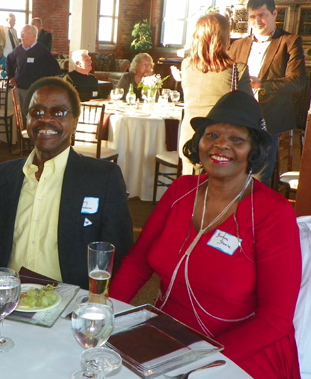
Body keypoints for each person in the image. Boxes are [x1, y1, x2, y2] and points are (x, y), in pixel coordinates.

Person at [110, 90, 301, 379]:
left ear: (254, 150)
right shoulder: (180, 191)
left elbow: (275, 320)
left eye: (237, 139)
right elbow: (139, 263)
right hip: (167, 335)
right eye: (212, 135)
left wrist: (199, 362)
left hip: (238, 351)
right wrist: (105, 312)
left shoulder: (272, 213)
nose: (221, 145)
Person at [0, 77, 133, 290]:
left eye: (58, 112)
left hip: (70, 304)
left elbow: (117, 254)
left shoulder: (102, 179)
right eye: (36, 111)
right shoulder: (1, 177)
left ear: (74, 121)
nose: (45, 119)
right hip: (8, 297)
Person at [229, 0, 306, 185]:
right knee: (233, 171)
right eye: (253, 17)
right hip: (239, 117)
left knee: (259, 175)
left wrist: (262, 84)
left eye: (262, 15)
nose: (257, 21)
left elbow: (298, 81)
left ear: (274, 14)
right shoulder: (237, 45)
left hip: (269, 118)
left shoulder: (289, 42)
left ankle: (255, 210)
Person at [179, 13, 252, 175]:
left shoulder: (186, 65)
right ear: (224, 37)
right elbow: (249, 110)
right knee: (218, 192)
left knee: (191, 189)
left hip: (190, 137)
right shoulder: (237, 70)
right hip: (221, 143)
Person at [6, 24, 59, 116]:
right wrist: (11, 76)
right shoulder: (18, 50)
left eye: (25, 34)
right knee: (21, 115)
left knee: (33, 114)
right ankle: (22, 130)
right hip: (20, 88)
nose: (22, 36)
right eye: (21, 33)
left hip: (35, 89)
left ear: (34, 35)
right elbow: (9, 60)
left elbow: (55, 68)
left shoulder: (42, 50)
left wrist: (44, 82)